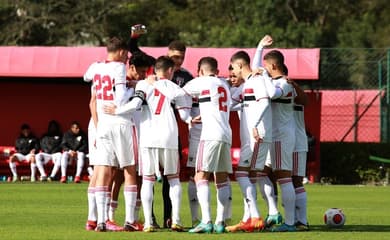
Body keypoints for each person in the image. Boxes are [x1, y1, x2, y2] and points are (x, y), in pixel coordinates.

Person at [226, 50, 276, 233]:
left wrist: (254, 125)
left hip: (258, 135)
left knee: (241, 174)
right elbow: (233, 103)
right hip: (253, 138)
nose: (232, 72)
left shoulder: (256, 81)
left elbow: (264, 103)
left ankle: (255, 216)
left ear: (239, 65)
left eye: (233, 67)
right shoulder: (248, 83)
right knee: (252, 176)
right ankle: (248, 218)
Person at [184, 57, 232, 234]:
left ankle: (206, 221)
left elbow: (182, 92)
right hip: (226, 134)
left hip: (210, 134)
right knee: (221, 178)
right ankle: (220, 222)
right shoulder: (224, 85)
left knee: (200, 176)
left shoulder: (202, 81)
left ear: (201, 71)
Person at [262, 50, 297, 232]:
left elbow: (273, 94)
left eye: (266, 66)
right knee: (259, 172)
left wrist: (264, 78)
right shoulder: (275, 82)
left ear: (273, 66)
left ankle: (290, 223)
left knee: (284, 177)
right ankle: (274, 211)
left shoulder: (284, 83)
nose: (264, 70)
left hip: (281, 135)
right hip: (273, 135)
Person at [290, 79, 310, 231]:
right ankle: (287, 218)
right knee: (282, 180)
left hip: (296, 141)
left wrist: (294, 85)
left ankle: (302, 221)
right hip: (279, 140)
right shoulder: (269, 87)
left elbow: (305, 101)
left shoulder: (289, 86)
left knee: (296, 180)